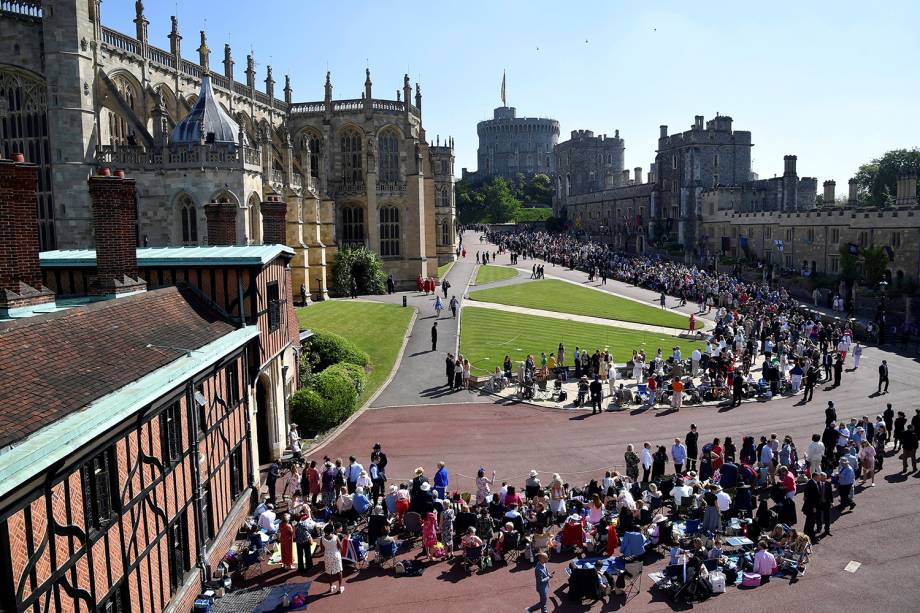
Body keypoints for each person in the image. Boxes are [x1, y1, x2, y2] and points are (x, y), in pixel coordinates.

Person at [321, 524, 345, 594]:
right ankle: (340, 587)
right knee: (339, 571)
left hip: (327, 556)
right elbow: (341, 547)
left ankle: (331, 586)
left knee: (329, 571)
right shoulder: (335, 537)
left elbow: (322, 549)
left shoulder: (322, 538)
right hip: (335, 555)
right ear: (332, 530)